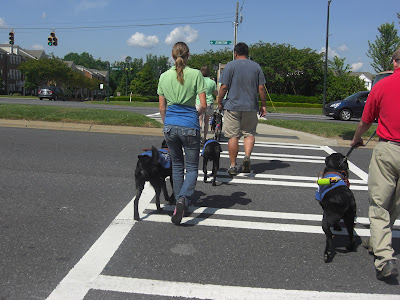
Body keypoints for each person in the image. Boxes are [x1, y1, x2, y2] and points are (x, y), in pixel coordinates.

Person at [351, 47, 400, 281]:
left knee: (379, 203)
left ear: (394, 63)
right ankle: (376, 241)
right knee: (395, 204)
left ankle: (384, 258)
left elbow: (365, 120)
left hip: (388, 149)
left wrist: (356, 138)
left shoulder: (382, 85)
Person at [157, 42, 207, 225]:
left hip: (170, 125)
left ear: (172, 56)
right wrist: (195, 115)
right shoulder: (195, 74)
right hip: (189, 126)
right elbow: (203, 105)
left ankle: (179, 201)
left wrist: (167, 122)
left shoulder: (163, 76)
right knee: (192, 167)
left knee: (177, 166)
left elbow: (162, 107)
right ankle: (183, 200)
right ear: (188, 56)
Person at [217, 42, 267, 175]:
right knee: (249, 133)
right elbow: (261, 88)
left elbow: (224, 86)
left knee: (233, 136)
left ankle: (233, 165)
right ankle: (247, 157)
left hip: (232, 106)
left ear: (235, 53)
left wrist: (219, 101)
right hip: (250, 105)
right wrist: (263, 105)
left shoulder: (230, 66)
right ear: (247, 53)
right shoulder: (256, 67)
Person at [196, 65, 218, 144]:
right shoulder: (212, 82)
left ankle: (198, 136)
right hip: (209, 102)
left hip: (199, 102)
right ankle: (205, 137)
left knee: (199, 120)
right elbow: (216, 93)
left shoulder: (198, 81)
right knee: (206, 121)